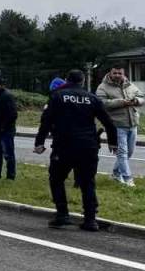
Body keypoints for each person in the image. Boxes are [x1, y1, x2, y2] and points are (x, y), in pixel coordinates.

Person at [34, 70, 118, 231]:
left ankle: (62, 215)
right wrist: (113, 143)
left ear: (67, 80)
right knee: (88, 182)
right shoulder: (92, 98)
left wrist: (39, 143)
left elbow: (46, 121)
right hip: (88, 146)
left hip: (64, 145)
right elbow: (108, 122)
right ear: (83, 81)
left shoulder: (57, 96)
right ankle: (90, 220)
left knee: (57, 179)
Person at [96, 65, 145, 187]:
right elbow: (101, 103)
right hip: (116, 125)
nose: (117, 75)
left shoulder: (130, 85)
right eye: (115, 73)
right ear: (110, 73)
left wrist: (136, 101)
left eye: (120, 73)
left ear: (124, 74)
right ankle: (128, 178)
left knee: (129, 152)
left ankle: (116, 173)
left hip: (132, 123)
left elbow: (142, 97)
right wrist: (122, 102)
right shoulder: (103, 87)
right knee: (122, 153)